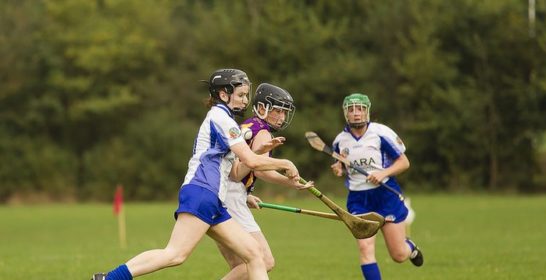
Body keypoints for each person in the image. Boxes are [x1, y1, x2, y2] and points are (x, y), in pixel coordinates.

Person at [91, 69, 301, 280]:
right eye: (240, 95)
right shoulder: (222, 119)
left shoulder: (225, 120)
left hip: (214, 199)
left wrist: (248, 183)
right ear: (223, 94)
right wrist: (285, 163)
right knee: (175, 254)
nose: (245, 101)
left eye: (246, 95)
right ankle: (109, 279)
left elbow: (237, 170)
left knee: (256, 256)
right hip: (202, 192)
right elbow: (251, 162)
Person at [218, 83, 313, 279]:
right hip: (231, 197)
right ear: (262, 108)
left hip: (223, 194)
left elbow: (236, 168)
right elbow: (262, 170)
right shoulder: (262, 132)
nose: (282, 117)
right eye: (278, 111)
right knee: (264, 261)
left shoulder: (246, 125)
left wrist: (247, 195)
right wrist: (291, 183)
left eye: (285, 112)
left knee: (241, 266)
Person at [330, 93, 423, 280]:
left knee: (398, 255)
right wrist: (338, 169)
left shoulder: (381, 133)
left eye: (360, 109)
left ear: (367, 111)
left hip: (385, 195)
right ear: (345, 113)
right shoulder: (340, 140)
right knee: (365, 248)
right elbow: (340, 164)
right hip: (358, 199)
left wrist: (383, 173)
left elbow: (404, 163)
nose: (356, 113)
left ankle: (410, 248)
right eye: (351, 109)